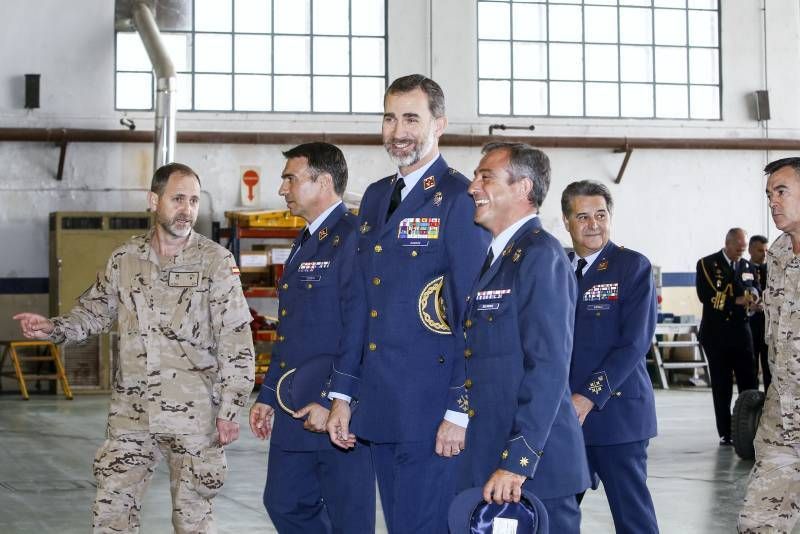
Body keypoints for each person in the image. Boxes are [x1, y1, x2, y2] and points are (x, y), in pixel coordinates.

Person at [13, 163, 255, 533]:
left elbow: (235, 338)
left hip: (194, 414)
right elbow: (95, 313)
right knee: (111, 512)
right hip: (132, 412)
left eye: (193, 200)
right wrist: (53, 328)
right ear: (153, 201)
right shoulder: (125, 259)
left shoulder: (215, 262)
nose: (187, 209)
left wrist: (231, 407)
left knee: (193, 519)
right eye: (178, 199)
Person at [324, 74, 490, 533]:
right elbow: (361, 302)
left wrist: (459, 409)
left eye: (411, 119)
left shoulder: (460, 198)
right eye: (390, 117)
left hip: (432, 408)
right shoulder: (376, 197)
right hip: (379, 405)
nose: (398, 131)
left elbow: (470, 314)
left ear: (440, 124)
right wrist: (342, 395)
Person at [456, 142, 590, 533]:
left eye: (486, 177)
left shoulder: (540, 256)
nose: (472, 187)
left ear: (522, 188)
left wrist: (518, 460)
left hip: (534, 470)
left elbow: (547, 367)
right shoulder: (499, 256)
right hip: (494, 454)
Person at [248, 143, 375, 533]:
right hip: (293, 404)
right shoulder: (305, 241)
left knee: (347, 517)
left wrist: (332, 399)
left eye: (290, 178)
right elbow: (292, 330)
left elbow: (361, 328)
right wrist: (268, 395)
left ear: (323, 181)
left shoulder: (354, 237)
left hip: (336, 408)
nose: (283, 188)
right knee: (284, 501)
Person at [561, 180, 659, 534]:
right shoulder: (556, 267)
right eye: (583, 216)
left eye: (600, 215)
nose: (593, 224)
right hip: (563, 419)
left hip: (616, 415)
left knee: (633, 519)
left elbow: (634, 344)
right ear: (566, 221)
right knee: (554, 513)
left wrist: (588, 396)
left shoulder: (632, 267)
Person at [739, 157, 800, 532]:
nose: (772, 201)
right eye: (768, 194)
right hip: (783, 415)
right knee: (757, 521)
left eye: (781, 191)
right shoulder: (776, 256)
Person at [695, 228, 760, 445]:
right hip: (717, 333)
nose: (741, 253)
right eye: (738, 248)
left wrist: (755, 298)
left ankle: (751, 427)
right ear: (728, 243)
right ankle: (726, 432)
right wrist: (738, 300)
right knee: (722, 385)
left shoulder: (747, 266)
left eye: (744, 249)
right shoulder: (707, 264)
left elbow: (755, 287)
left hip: (742, 332)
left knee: (749, 382)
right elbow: (708, 296)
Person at [748, 234, 770, 391]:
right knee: (751, 366)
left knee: (770, 366)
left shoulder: (772, 269)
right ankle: (753, 401)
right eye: (760, 250)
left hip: (768, 326)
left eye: (766, 250)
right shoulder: (743, 268)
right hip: (750, 325)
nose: (764, 254)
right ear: (750, 250)